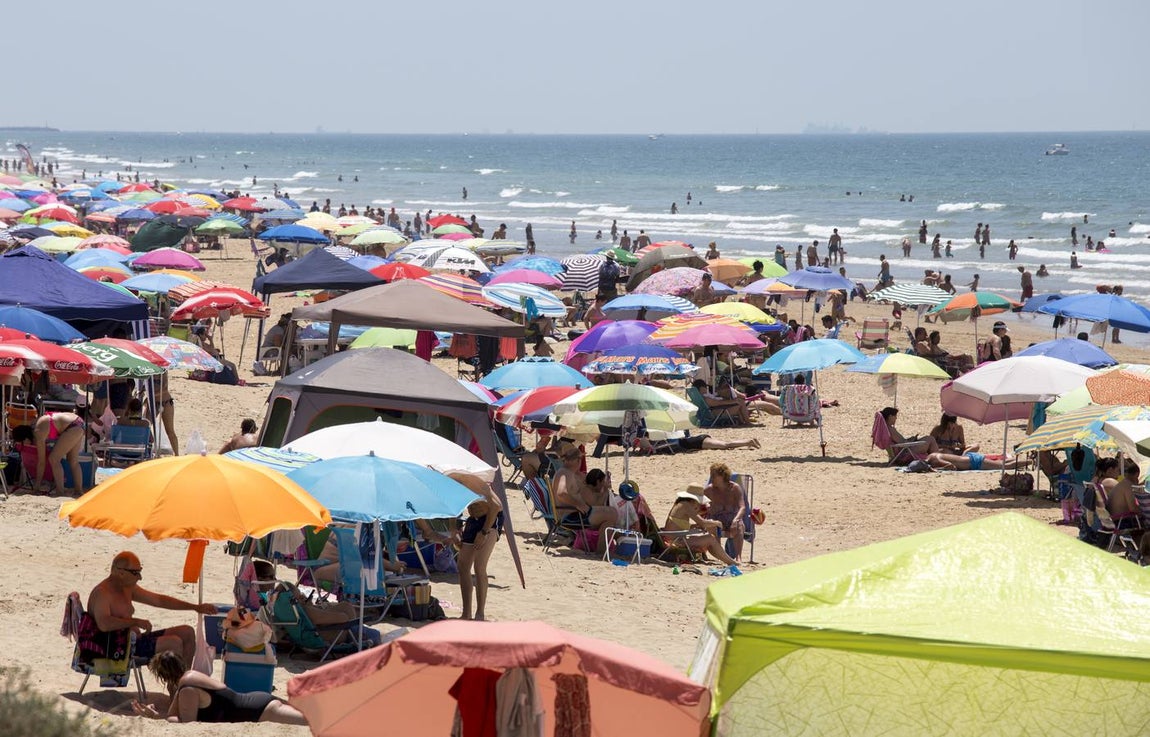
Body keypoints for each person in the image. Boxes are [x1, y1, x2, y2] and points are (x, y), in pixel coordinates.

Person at [86, 551, 218, 671]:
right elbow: (104, 624)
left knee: (187, 632)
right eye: (135, 573)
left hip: (136, 641)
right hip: (117, 649)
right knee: (174, 642)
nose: (140, 577)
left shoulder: (127, 587)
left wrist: (195, 607)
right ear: (121, 572)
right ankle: (175, 686)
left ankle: (183, 682)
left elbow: (159, 600)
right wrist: (135, 622)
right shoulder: (102, 593)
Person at [132, 651, 305, 724]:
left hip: (260, 712)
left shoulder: (187, 689)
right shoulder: (191, 677)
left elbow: (186, 724)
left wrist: (158, 718)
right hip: (258, 702)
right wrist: (157, 716)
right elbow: (175, 714)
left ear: (164, 677)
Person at [450, 472, 502, 621]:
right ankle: (466, 613)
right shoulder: (450, 483)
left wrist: (484, 532)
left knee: (479, 566)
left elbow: (497, 506)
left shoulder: (473, 482)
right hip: (473, 519)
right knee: (463, 565)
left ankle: (480, 614)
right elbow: (453, 507)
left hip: (491, 518)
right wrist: (453, 530)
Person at [553, 445, 616, 554]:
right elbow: (561, 493)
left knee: (610, 516)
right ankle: (601, 551)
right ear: (577, 460)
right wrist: (578, 504)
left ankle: (601, 551)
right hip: (571, 516)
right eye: (580, 459)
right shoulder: (564, 473)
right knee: (612, 513)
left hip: (573, 513)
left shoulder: (568, 473)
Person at [662, 487, 741, 571]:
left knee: (709, 538)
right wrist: (717, 523)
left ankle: (726, 559)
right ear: (694, 500)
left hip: (674, 538)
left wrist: (693, 526)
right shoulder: (686, 506)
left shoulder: (680, 504)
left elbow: (677, 525)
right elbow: (703, 522)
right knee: (710, 538)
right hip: (675, 542)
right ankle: (730, 561)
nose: (698, 504)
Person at [13, 408, 88, 495]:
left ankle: (60, 492)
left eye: (22, 444)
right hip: (78, 422)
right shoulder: (35, 425)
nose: (25, 445)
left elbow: (41, 462)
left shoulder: (38, 433)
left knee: (53, 459)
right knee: (73, 460)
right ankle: (78, 491)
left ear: (25, 439)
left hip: (72, 426)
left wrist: (36, 486)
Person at [704, 463, 747, 562]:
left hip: (732, 518)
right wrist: (706, 509)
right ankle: (722, 556)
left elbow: (742, 507)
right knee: (714, 525)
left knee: (739, 525)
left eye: (714, 475)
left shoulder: (735, 488)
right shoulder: (709, 490)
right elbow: (698, 506)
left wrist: (736, 520)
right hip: (716, 520)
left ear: (723, 476)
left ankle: (738, 557)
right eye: (711, 475)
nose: (712, 478)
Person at [926, 451, 1025, 471]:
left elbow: (951, 466)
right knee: (1000, 463)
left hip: (974, 462)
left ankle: (1030, 461)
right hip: (970, 458)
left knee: (1005, 467)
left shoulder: (936, 460)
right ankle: (1019, 459)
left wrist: (936, 469)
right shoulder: (933, 455)